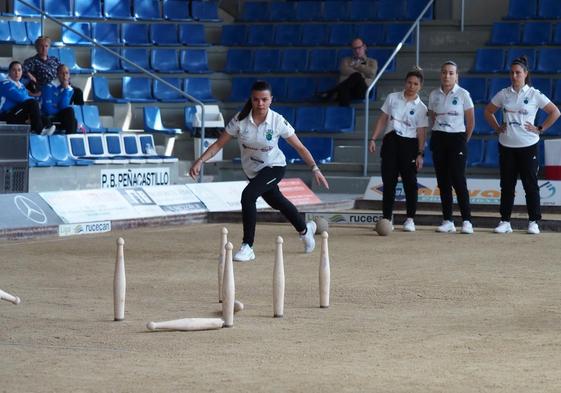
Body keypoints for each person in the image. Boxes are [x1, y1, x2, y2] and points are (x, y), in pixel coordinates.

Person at [189, 80, 330, 262]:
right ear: (251, 99)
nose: (260, 104)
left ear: (271, 100)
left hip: (274, 167)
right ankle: (306, 229)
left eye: (264, 99)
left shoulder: (277, 121)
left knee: (248, 196)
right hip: (252, 171)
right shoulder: (240, 120)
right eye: (256, 100)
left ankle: (248, 246)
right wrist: (200, 160)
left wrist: (315, 168)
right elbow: (218, 144)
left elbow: (300, 147)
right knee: (277, 201)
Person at [484, 56, 560, 235]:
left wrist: (540, 128)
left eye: (518, 72)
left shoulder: (534, 94)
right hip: (506, 146)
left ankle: (534, 221)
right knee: (507, 185)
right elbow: (488, 111)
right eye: (512, 72)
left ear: (525, 74)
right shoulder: (504, 94)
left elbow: (555, 112)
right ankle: (505, 221)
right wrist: (497, 127)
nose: (514, 75)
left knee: (530, 185)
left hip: (528, 146)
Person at [368, 67, 428, 232]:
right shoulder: (392, 98)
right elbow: (382, 119)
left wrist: (420, 153)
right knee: (389, 182)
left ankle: (410, 219)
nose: (411, 86)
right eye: (409, 82)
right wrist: (373, 138)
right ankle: (387, 218)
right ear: (405, 82)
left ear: (420, 87)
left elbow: (421, 132)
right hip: (391, 141)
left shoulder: (422, 108)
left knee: (410, 183)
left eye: (415, 84)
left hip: (409, 145)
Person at [428, 61, 475, 234]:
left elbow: (470, 122)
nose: (447, 76)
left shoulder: (463, 94)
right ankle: (448, 220)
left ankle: (467, 221)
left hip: (457, 139)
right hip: (439, 138)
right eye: (444, 72)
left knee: (458, 180)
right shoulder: (434, 95)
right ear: (441, 74)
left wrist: (462, 141)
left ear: (457, 76)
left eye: (451, 73)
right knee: (443, 182)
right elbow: (432, 117)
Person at [23, 36, 84, 104]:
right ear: (36, 48)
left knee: (77, 91)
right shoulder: (32, 61)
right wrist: (31, 76)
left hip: (60, 84)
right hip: (47, 88)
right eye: (41, 46)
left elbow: (63, 70)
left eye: (46, 46)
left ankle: (77, 113)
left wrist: (67, 81)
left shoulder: (54, 60)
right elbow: (22, 70)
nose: (44, 49)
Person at [318, 38, 378, 107]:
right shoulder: (345, 60)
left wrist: (357, 65)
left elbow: (372, 73)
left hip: (362, 90)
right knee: (346, 88)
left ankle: (332, 92)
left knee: (357, 76)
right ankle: (343, 114)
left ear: (364, 47)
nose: (357, 51)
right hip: (348, 90)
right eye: (354, 48)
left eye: (359, 48)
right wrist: (362, 73)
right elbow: (344, 70)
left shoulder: (372, 62)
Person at [0, 61, 55, 135]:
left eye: (19, 70)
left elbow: (26, 98)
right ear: (9, 71)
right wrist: (33, 100)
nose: (17, 72)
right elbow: (21, 98)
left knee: (45, 120)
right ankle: (39, 130)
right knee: (32, 103)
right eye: (14, 70)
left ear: (22, 72)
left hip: (19, 113)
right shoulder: (5, 83)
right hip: (7, 115)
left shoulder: (21, 86)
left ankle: (42, 134)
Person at [41, 64, 77, 134]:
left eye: (66, 73)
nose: (64, 76)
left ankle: (68, 139)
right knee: (70, 115)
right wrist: (59, 110)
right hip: (48, 118)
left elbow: (64, 106)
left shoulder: (69, 90)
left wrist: (65, 89)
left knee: (73, 120)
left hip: (59, 118)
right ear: (57, 74)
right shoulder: (48, 87)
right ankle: (69, 138)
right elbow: (48, 110)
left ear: (69, 75)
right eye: (62, 73)